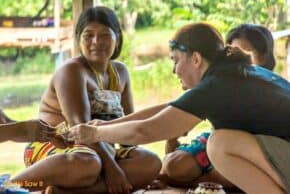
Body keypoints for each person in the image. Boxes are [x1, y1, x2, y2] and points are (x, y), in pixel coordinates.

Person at [68, 22, 290, 194]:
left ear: (195, 59)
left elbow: (146, 130)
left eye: (175, 60)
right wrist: (107, 125)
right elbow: (168, 110)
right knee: (218, 143)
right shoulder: (229, 74)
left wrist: (95, 133)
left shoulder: (218, 85)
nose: (174, 71)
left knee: (220, 144)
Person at [8, 6, 161, 193]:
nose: (96, 42)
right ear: (78, 38)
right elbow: (80, 128)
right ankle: (8, 186)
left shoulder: (120, 72)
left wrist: (145, 175)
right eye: (88, 35)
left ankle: (64, 192)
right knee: (88, 165)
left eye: (105, 35)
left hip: (102, 150)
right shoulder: (72, 71)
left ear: (117, 37)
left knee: (150, 162)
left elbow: (129, 127)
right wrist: (113, 169)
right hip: (58, 149)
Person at [153, 23, 277, 190]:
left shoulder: (266, 84)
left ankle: (194, 181)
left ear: (263, 57)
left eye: (245, 51)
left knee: (230, 172)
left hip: (252, 148)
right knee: (176, 165)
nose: (236, 55)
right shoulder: (221, 82)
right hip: (220, 142)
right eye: (231, 50)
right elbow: (176, 112)